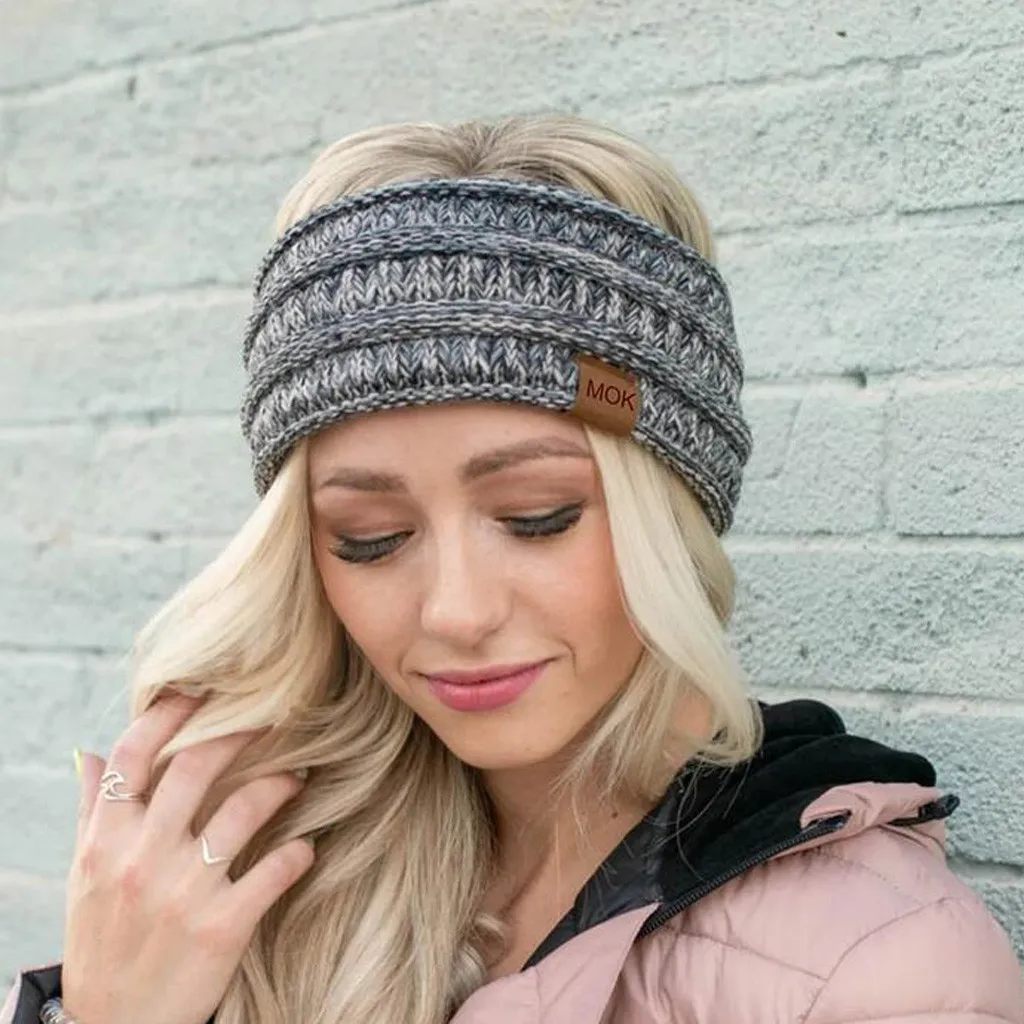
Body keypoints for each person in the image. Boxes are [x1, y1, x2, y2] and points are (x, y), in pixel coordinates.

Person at [3, 113, 1022, 1024]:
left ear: (669, 513)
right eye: (368, 535)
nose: (455, 611)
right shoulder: (261, 891)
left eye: (538, 517)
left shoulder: (869, 971)